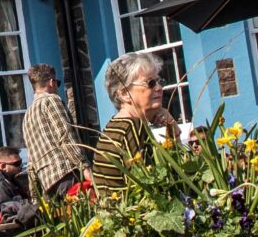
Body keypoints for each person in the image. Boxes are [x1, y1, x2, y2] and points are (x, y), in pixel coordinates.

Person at [92, 53, 178, 194]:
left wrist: (170, 123)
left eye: (158, 81)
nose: (158, 88)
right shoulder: (131, 127)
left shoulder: (117, 125)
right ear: (125, 93)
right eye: (150, 83)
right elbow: (151, 186)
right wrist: (173, 129)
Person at [22, 64, 92, 198]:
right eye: (57, 83)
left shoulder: (27, 115)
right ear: (51, 82)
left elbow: (31, 161)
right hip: (65, 173)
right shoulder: (51, 100)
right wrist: (85, 167)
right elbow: (65, 136)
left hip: (47, 183)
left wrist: (35, 195)